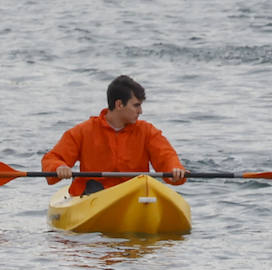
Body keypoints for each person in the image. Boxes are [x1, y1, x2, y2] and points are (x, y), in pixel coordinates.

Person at [42, 75, 186, 197]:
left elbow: (166, 156)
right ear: (119, 104)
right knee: (93, 187)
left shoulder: (147, 131)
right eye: (136, 105)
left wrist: (175, 169)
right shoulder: (83, 131)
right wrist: (59, 167)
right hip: (95, 194)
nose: (140, 111)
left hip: (135, 193)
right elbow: (52, 158)